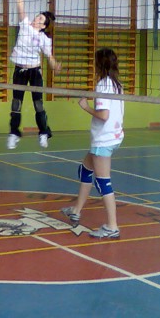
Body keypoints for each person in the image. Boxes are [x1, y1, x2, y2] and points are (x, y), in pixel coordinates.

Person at [61, 48, 124, 239]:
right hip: (113, 135)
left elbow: (104, 115)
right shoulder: (116, 84)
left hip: (104, 139)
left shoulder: (104, 85)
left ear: (99, 64)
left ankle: (112, 226)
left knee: (103, 182)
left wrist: (86, 107)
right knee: (85, 169)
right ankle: (76, 210)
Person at [6, 0, 61, 150]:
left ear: (43, 26)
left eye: (40, 19)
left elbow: (49, 57)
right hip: (20, 70)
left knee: (38, 104)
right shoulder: (24, 25)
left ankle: (43, 132)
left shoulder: (45, 39)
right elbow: (20, 5)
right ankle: (14, 133)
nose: (36, 19)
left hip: (35, 72)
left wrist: (55, 66)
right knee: (16, 103)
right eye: (37, 16)